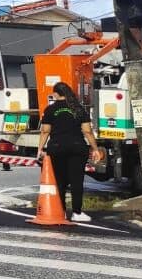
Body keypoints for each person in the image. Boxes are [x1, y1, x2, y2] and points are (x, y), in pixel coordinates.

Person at [37, 82, 103, 222]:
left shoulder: (50, 109)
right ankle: (77, 213)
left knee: (59, 181)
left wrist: (40, 149)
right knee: (76, 180)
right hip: (77, 146)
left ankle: (61, 212)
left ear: (55, 94)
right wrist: (95, 149)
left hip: (56, 147)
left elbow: (45, 131)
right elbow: (87, 131)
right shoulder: (78, 109)